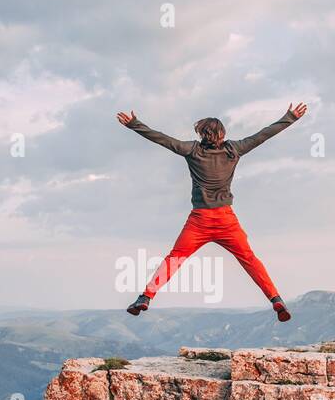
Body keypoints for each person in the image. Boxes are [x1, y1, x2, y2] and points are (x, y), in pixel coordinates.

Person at [117, 102, 307, 322]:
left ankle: (146, 297)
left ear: (201, 134)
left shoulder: (192, 150)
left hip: (199, 221)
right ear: (222, 134)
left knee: (175, 259)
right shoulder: (234, 149)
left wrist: (134, 124)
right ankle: (275, 298)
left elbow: (162, 139)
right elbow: (263, 135)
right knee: (249, 259)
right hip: (226, 220)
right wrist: (290, 117)